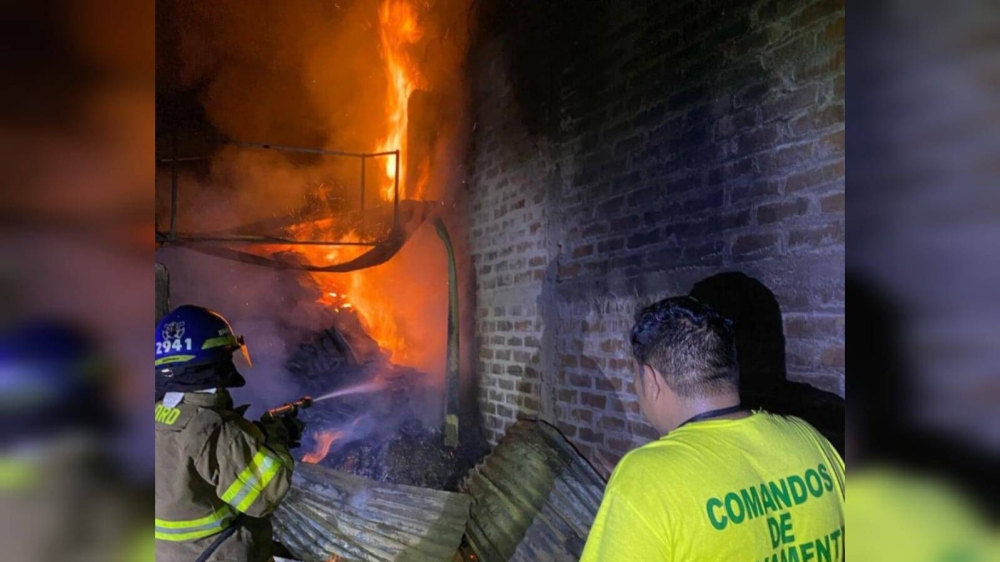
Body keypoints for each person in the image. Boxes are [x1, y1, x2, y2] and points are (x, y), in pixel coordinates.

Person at [580, 296, 845, 561]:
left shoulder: (645, 480)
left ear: (650, 380)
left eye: (635, 378)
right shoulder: (809, 439)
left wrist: (640, 492)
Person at [155, 305, 301, 562]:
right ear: (213, 361)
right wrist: (278, 439)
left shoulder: (155, 414)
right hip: (215, 554)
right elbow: (265, 494)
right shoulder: (211, 428)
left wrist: (254, 435)